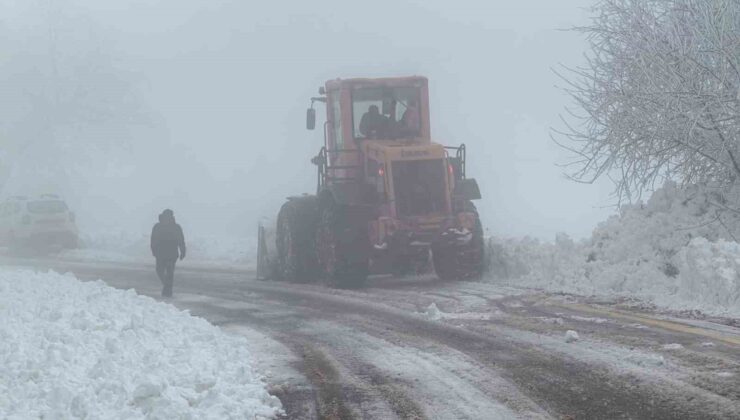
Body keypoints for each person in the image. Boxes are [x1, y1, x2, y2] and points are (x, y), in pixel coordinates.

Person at [150, 209, 186, 297]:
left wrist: (183, 251)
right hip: (160, 253)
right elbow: (153, 239)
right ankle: (167, 286)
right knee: (159, 271)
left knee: (170, 273)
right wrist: (154, 250)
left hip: (172, 254)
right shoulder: (157, 226)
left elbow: (181, 240)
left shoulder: (176, 227)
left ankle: (168, 291)